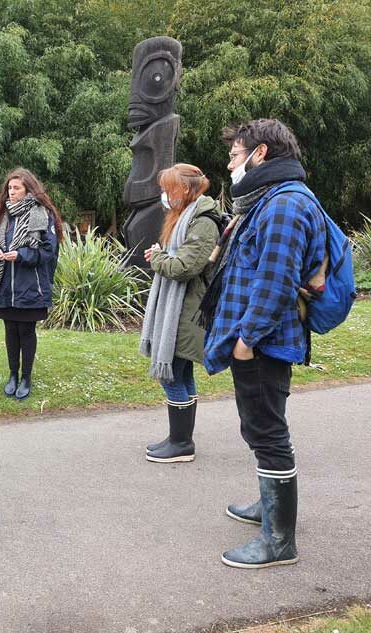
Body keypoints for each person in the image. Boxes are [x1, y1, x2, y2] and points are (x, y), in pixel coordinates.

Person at [202, 119, 326, 569]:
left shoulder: (285, 205)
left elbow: (274, 283)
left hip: (263, 343)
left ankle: (279, 542)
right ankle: (269, 508)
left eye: (236, 154)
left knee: (268, 433)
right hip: (257, 340)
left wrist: (245, 341)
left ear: (260, 155)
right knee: (261, 428)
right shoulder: (269, 200)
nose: (229, 163)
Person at [140, 164, 220, 463]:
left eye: (168, 189)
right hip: (181, 308)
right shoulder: (187, 216)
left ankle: (181, 442)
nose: (165, 195)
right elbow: (176, 258)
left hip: (188, 310)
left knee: (172, 374)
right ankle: (180, 438)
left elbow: (184, 267)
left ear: (185, 189)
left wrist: (159, 258)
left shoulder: (203, 221)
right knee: (181, 372)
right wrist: (161, 255)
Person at [0, 167, 62, 401]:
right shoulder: (1, 215)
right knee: (10, 331)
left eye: (16, 188)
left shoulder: (42, 214)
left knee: (26, 331)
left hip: (31, 285)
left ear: (28, 189)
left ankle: (26, 377)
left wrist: (21, 255)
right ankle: (12, 375)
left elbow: (49, 250)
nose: (11, 192)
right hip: (5, 284)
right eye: (9, 188)